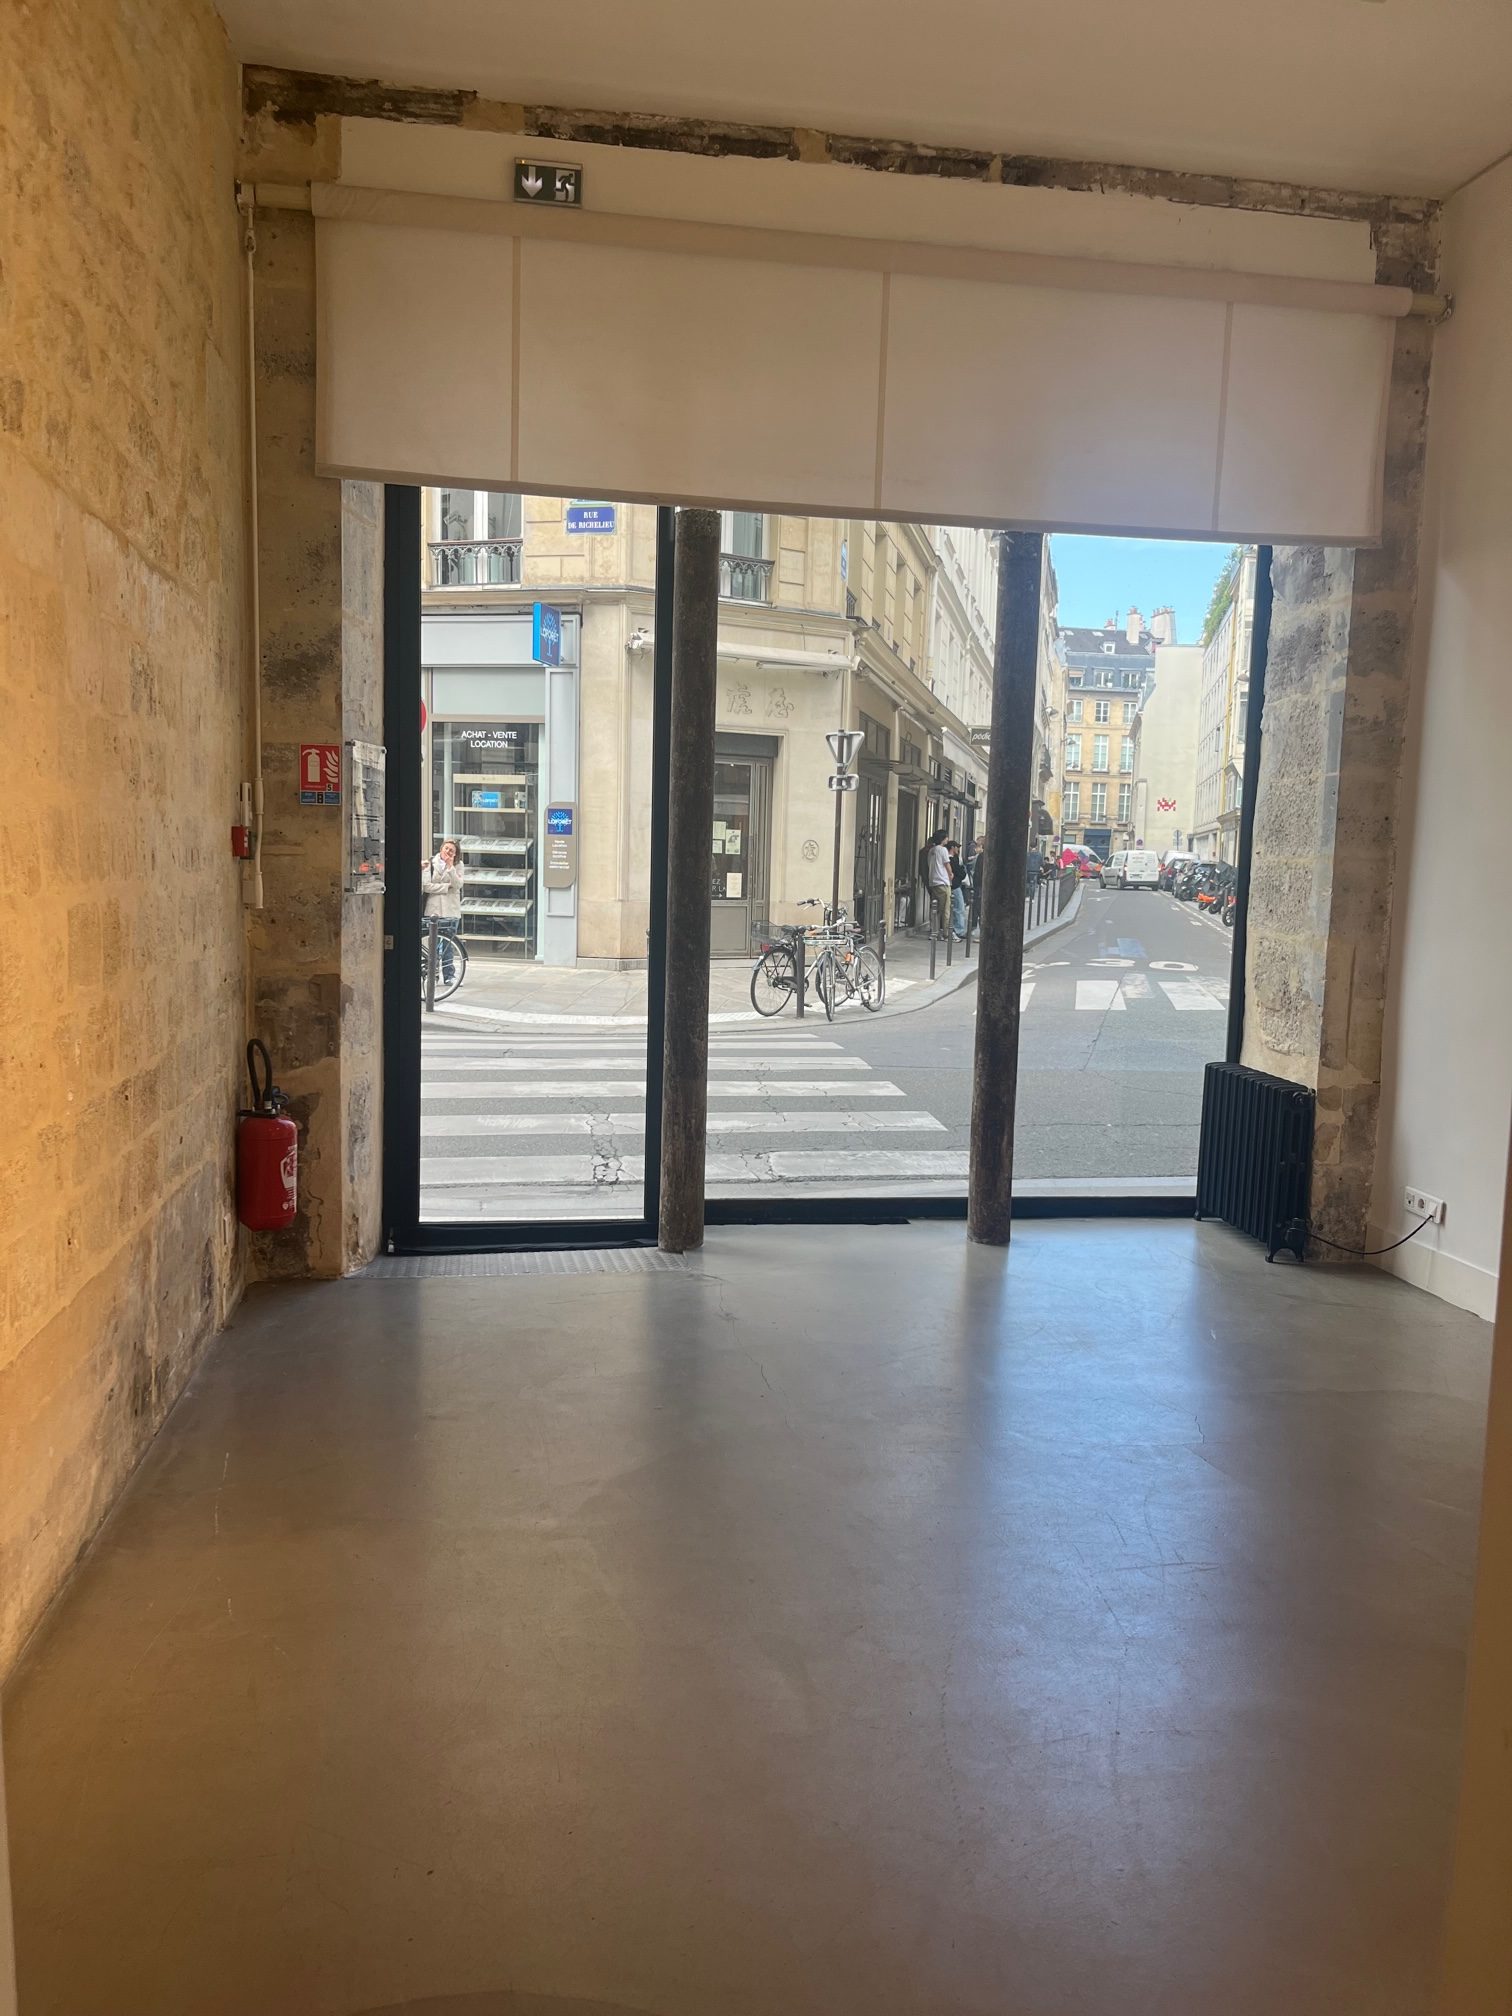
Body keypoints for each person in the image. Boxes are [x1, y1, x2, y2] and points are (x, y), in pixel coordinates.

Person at [422, 839, 465, 981]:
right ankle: (433, 973)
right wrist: (446, 887)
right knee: (433, 943)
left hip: (451, 909)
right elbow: (426, 886)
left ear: (455, 854)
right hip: (433, 909)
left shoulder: (458, 865)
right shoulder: (430, 863)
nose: (448, 852)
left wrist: (451, 867)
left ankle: (449, 975)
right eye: (446, 848)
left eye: (452, 850)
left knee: (448, 944)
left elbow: (457, 884)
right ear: (441, 848)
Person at [927, 829, 952, 938]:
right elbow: (947, 864)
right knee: (946, 909)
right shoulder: (943, 850)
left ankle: (934, 931)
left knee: (935, 909)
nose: (947, 839)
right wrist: (950, 874)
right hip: (942, 881)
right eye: (946, 837)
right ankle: (946, 933)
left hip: (933, 882)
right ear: (942, 839)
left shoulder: (931, 850)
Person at [947, 840, 968, 940]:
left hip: (954, 885)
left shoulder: (954, 858)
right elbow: (961, 872)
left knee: (957, 908)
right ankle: (959, 930)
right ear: (952, 848)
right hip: (955, 886)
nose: (958, 849)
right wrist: (962, 870)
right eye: (957, 847)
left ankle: (957, 929)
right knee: (959, 908)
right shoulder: (951, 860)